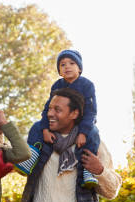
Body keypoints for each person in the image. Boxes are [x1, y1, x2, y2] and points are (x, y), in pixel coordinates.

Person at [16, 50, 100, 189]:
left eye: (72, 63)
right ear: (59, 71)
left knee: (94, 132)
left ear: (79, 68)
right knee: (36, 126)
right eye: (62, 64)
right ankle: (31, 157)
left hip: (82, 122)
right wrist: (44, 129)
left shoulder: (87, 85)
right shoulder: (57, 86)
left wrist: (83, 132)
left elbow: (91, 111)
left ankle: (88, 171)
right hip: (59, 121)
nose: (67, 66)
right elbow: (48, 108)